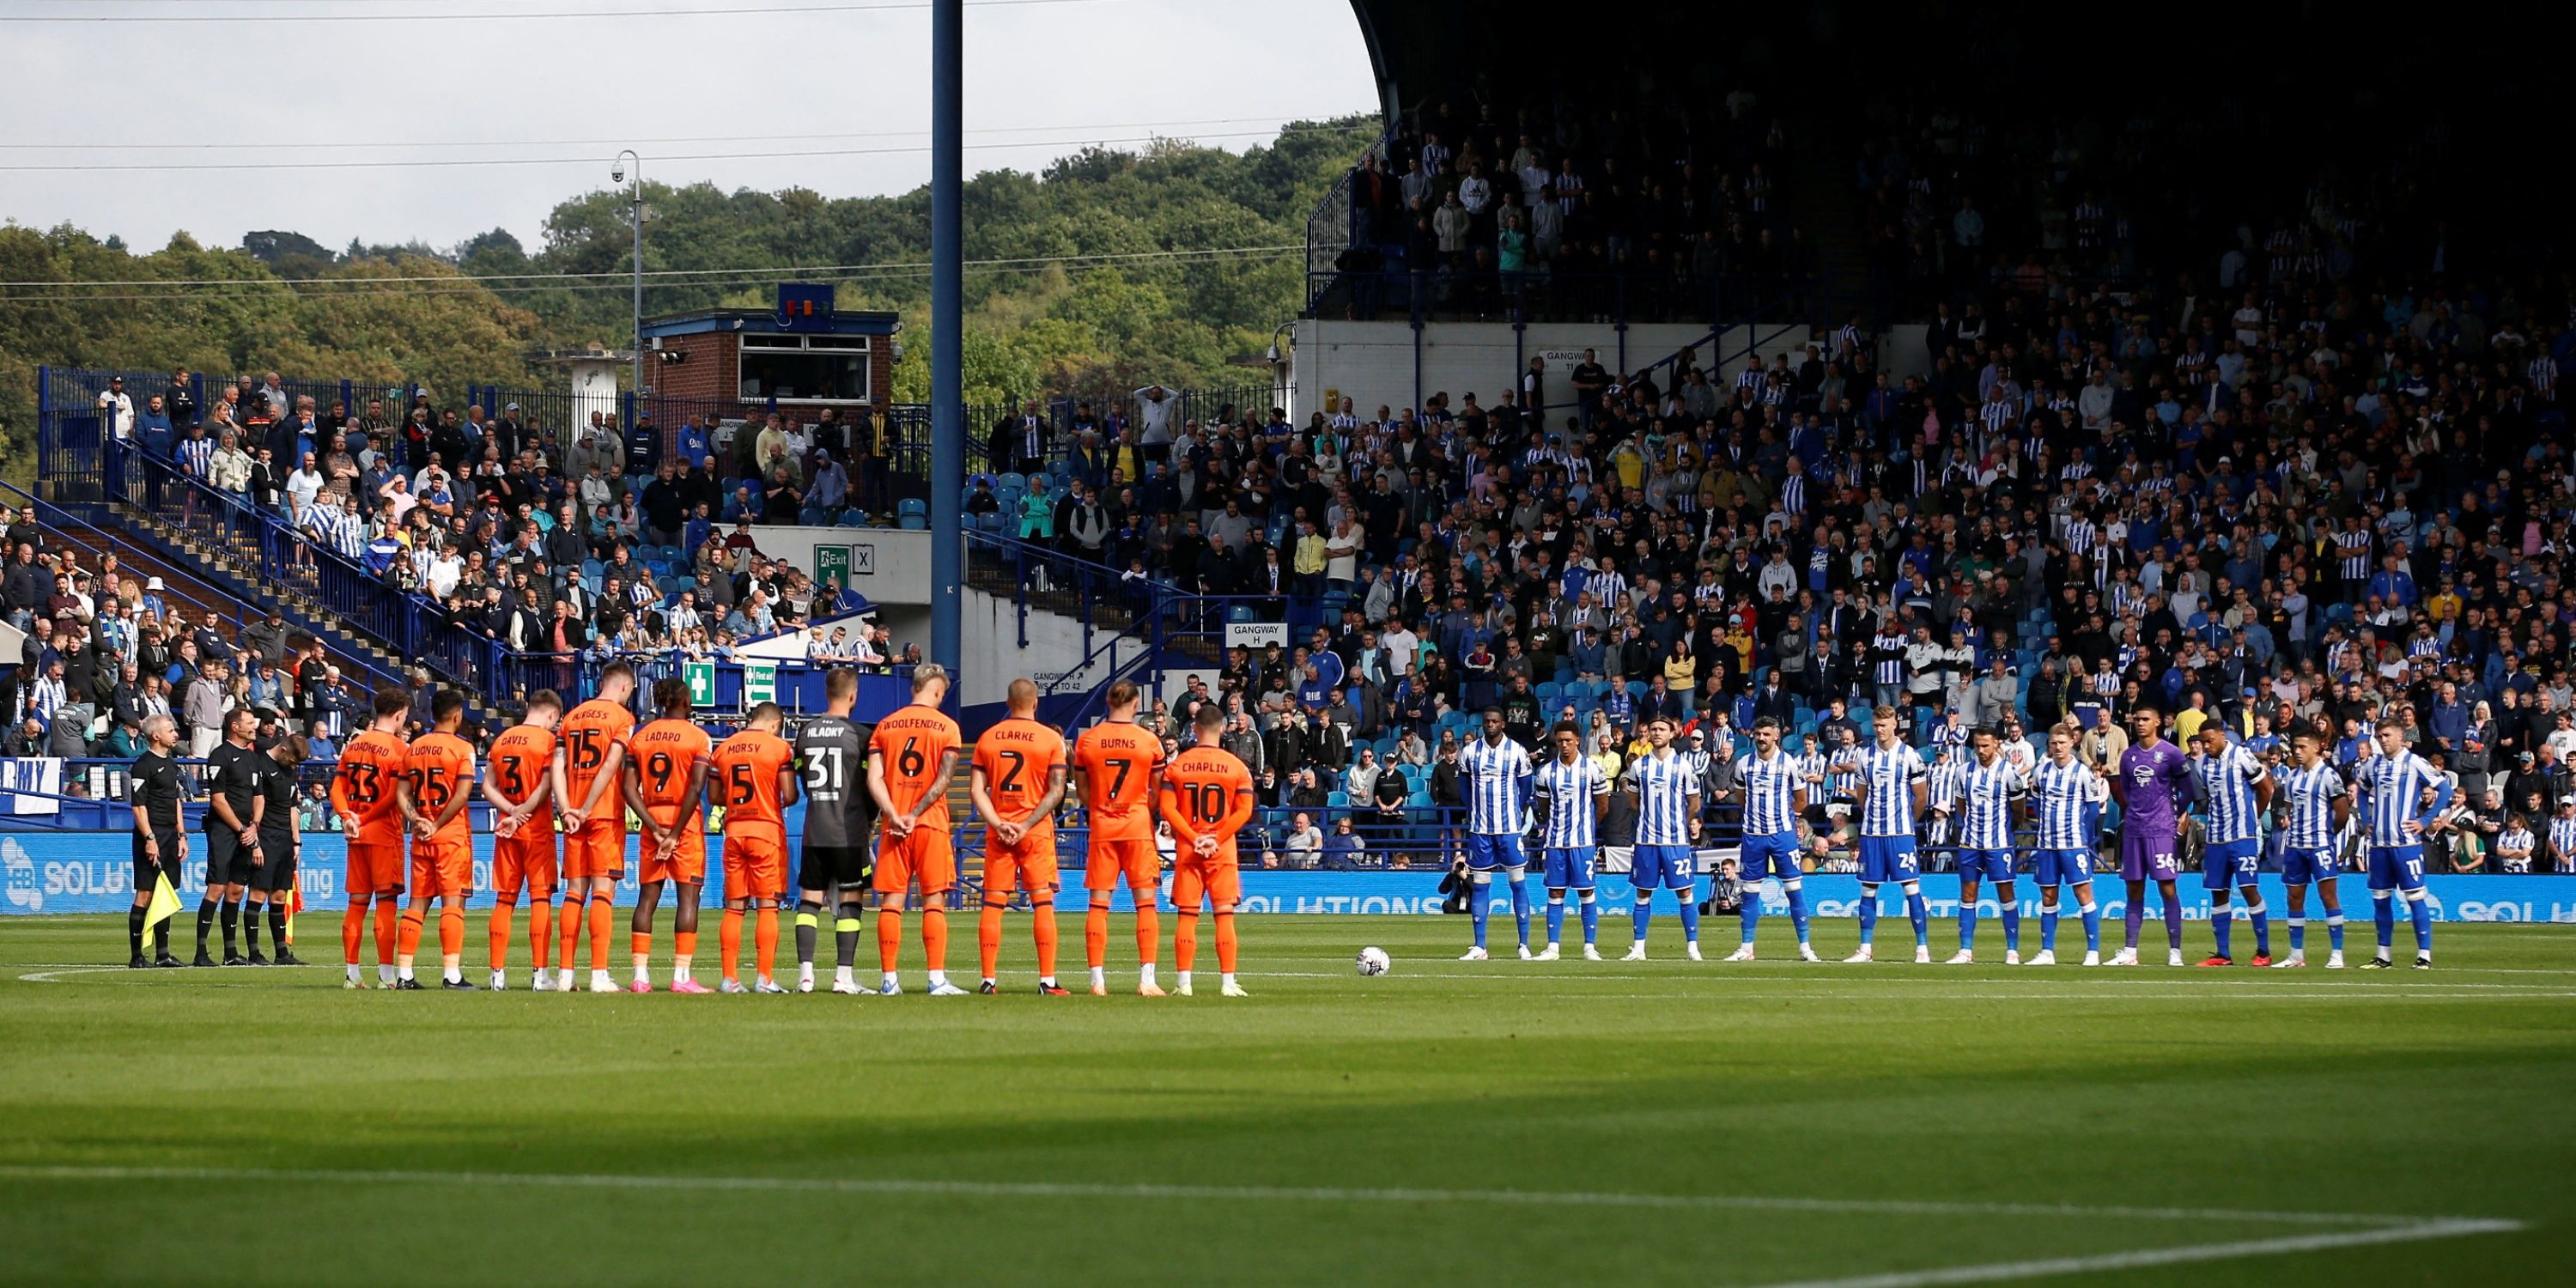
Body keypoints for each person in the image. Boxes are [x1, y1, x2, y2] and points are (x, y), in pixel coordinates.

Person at [866, 663, 965, 995]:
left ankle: (889, 980)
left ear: (914, 688)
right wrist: (915, 813)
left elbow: (874, 778)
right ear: (937, 690)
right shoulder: (947, 727)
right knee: (933, 901)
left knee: (891, 902)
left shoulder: (885, 726)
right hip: (930, 823)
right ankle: (936, 979)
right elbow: (944, 779)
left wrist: (893, 814)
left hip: (893, 827)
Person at [970, 678, 1071, 994]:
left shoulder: (987, 738)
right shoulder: (1050, 740)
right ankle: (1047, 980)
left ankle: (988, 980)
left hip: (999, 829)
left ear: (1007, 702)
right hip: (1035, 831)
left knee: (993, 902)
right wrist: (1026, 825)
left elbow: (976, 791)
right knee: (1042, 902)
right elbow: (1056, 791)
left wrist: (999, 823)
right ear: (1036, 703)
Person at [1071, 680, 1169, 995]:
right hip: (1137, 828)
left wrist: (1100, 807)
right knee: (1146, 905)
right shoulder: (1149, 741)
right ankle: (1148, 979)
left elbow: (1082, 790)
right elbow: (1157, 790)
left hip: (1103, 826)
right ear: (1135, 702)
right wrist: (1140, 808)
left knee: (1098, 905)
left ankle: (1097, 981)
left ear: (1108, 702)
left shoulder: (1087, 740)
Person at [1157, 702, 1255, 997]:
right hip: (1222, 851)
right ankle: (1227, 984)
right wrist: (1216, 837)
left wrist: (1193, 837)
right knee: (1224, 915)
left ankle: (1184, 984)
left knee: (1187, 916)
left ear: (1194, 729)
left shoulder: (1177, 766)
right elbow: (1245, 810)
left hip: (1188, 850)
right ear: (1223, 728)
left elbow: (1166, 808)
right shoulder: (1237, 766)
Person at [624, 679, 714, 992]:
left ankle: (639, 976)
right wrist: (674, 833)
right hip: (683, 821)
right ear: (686, 701)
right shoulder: (698, 738)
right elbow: (696, 787)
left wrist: (651, 825)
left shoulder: (641, 736)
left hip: (653, 817)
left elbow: (627, 788)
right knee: (688, 898)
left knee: (647, 898)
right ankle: (681, 977)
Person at [555, 663, 639, 993]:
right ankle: (599, 974)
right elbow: (610, 764)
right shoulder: (622, 718)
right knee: (603, 893)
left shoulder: (572, 716)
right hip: (601, 814)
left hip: (572, 815)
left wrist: (567, 810)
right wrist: (587, 808)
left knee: (574, 893)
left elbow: (557, 766)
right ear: (623, 687)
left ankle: (564, 975)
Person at [793, 668, 874, 993]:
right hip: (849, 830)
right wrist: (870, 819)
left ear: (826, 694)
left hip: (815, 829)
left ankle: (806, 977)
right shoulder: (862, 735)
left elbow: (804, 783)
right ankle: (843, 977)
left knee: (809, 902)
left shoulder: (805, 732)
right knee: (852, 902)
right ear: (852, 695)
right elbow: (870, 786)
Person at [710, 702, 799, 993]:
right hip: (766, 830)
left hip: (734, 831)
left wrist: (738, 802)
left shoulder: (723, 748)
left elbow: (714, 796)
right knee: (767, 906)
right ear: (775, 724)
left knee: (734, 908)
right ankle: (764, 978)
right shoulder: (779, 748)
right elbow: (790, 794)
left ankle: (729, 979)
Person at [392, 690, 477, 989]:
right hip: (450, 836)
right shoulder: (462, 748)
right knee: (453, 903)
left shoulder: (414, 748)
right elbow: (463, 794)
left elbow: (401, 794)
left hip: (421, 837)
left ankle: (404, 974)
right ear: (457, 716)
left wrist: (417, 820)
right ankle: (451, 975)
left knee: (417, 903)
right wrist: (438, 824)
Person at [480, 691, 562, 991]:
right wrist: (522, 812)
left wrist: (510, 812)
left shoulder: (502, 739)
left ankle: (496, 975)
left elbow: (487, 786)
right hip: (535, 828)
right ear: (552, 715)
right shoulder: (548, 742)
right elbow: (545, 786)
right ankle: (540, 976)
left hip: (507, 829)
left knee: (504, 900)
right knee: (540, 899)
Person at [2351, 718, 2450, 969]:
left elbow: (2445, 789)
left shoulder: (2413, 761)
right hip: (2379, 846)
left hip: (2406, 844)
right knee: (2381, 900)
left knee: (2415, 898)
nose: (2383, 740)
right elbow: (2361, 790)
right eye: (2379, 736)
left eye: (2386, 735)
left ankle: (2424, 956)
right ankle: (2383, 956)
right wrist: (2365, 819)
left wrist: (2426, 820)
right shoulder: (2373, 765)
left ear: (2399, 736)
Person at [332, 688, 412, 987]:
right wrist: (364, 818)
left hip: (356, 834)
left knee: (357, 902)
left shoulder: (354, 744)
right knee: (387, 901)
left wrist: (347, 817)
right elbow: (394, 796)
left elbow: (336, 789)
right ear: (399, 714)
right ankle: (387, 975)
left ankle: (352, 975)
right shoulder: (399, 749)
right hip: (384, 832)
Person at [1728, 715, 1817, 963]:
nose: (1761, 738)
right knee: (1749, 892)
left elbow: (1801, 800)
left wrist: (1783, 815)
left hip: (1783, 836)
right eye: (1758, 733)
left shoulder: (1789, 764)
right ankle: (1746, 948)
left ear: (1777, 736)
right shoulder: (1744, 764)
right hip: (1753, 836)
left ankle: (1805, 948)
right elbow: (1740, 798)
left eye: (1766, 734)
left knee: (1793, 890)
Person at [1848, 705, 1932, 964]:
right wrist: (1873, 817)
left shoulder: (1909, 756)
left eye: (1883, 725)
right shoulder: (1865, 757)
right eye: (1875, 726)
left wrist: (1907, 821)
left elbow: (1921, 797)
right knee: (1868, 890)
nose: (1879, 730)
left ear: (1895, 724)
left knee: (1911, 888)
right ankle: (1865, 948)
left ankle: (1922, 949)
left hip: (1900, 834)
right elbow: (1862, 796)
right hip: (1872, 834)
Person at [2110, 706, 2191, 967]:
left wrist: (2174, 812)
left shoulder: (2172, 754)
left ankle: (2175, 952)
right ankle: (2130, 951)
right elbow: (2125, 791)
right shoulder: (2129, 756)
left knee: (2167, 887)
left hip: (2161, 831)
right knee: (2134, 889)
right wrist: (2135, 812)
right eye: (2137, 720)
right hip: (2134, 830)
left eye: (2145, 720)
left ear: (2157, 722)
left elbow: (2188, 789)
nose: (2140, 724)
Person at [2190, 726, 2275, 966]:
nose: (2206, 746)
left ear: (2221, 736)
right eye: (2202, 742)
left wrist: (2253, 817)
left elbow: (2266, 789)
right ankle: (2223, 954)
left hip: (2242, 837)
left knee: (2249, 890)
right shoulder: (2201, 765)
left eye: (2209, 741)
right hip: (2216, 838)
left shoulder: (2241, 755)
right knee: (2218, 893)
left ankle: (2263, 951)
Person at [1455, 707, 1534, 961]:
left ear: (1503, 724)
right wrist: (1472, 809)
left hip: (1509, 829)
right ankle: (1480, 946)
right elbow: (1464, 784)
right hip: (1480, 830)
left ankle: (1523, 945)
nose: (1490, 724)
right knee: (1479, 886)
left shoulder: (1516, 752)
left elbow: (1525, 786)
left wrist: (1516, 810)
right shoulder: (1469, 752)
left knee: (1518, 885)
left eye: (1495, 721)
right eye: (1486, 721)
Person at [2022, 726, 2106, 966]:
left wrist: (2079, 835)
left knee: (2083, 894)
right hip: (2047, 845)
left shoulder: (2082, 773)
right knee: (2048, 896)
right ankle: (2047, 952)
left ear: (2072, 742)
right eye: (2053, 743)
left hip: (2073, 845)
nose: (2057, 747)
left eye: (2062, 742)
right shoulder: (2041, 772)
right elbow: (2037, 805)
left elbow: (2092, 811)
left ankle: (2093, 951)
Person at [1624, 714, 1704, 960]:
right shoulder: (1639, 766)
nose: (1657, 732)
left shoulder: (1683, 765)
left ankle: (1692, 948)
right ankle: (1638, 949)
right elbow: (1633, 801)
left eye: (1662, 729)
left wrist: (1679, 821)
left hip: (1676, 841)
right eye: (1653, 729)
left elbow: (1694, 802)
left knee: (1685, 892)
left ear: (1672, 734)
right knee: (1642, 893)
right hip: (1646, 841)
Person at [1942, 726, 2023, 965]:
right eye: (1977, 745)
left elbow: (2018, 811)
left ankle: (2012, 951)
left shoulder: (2009, 772)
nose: (1981, 750)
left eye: (1986, 745)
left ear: (1997, 744)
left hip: (1999, 844)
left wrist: (2006, 830)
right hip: (1970, 844)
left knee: (2006, 895)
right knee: (1968, 895)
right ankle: (1965, 950)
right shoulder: (1963, 771)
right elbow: (1960, 805)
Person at [2272, 730, 2352, 969]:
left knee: (2328, 896)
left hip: (2320, 846)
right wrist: (2288, 821)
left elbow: (2342, 813)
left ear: (2316, 748)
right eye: (2295, 747)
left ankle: (2337, 954)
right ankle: (2296, 955)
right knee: (2294, 898)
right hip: (2295, 846)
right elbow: (2288, 809)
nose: (2297, 751)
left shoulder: (2329, 776)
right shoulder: (2292, 777)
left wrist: (2328, 836)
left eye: (2302, 747)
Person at [197, 706, 269, 967]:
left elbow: (259, 797)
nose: (255, 726)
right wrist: (241, 829)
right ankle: (201, 953)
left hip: (247, 833)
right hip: (225, 832)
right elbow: (218, 800)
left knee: (237, 890)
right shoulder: (220, 756)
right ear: (234, 727)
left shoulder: (252, 758)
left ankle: (230, 953)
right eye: (249, 722)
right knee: (217, 887)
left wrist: (254, 827)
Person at [1530, 720, 1608, 961]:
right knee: (1555, 893)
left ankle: (1589, 947)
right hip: (1555, 842)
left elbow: (1603, 805)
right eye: (1560, 741)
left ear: (1577, 741)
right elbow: (1543, 807)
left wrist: (1586, 827)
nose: (1564, 745)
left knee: (1586, 892)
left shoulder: (1592, 768)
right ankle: (1553, 948)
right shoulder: (1546, 772)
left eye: (1568, 740)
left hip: (1582, 843)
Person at [126, 714, 188, 969]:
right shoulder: (144, 765)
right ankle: (137, 956)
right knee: (145, 893)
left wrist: (182, 835)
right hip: (150, 834)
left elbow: (175, 802)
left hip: (170, 836)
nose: (175, 734)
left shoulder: (171, 764)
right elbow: (138, 807)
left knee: (165, 893)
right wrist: (149, 838)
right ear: (156, 736)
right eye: (170, 730)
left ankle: (163, 954)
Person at [246, 732, 311, 967]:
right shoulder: (260, 764)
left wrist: (296, 842)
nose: (294, 766)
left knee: (280, 896)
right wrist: (255, 843)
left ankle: (282, 953)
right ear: (283, 750)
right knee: (258, 893)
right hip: (265, 836)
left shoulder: (290, 770)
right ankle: (254, 953)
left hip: (285, 839)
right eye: (293, 760)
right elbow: (254, 803)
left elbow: (292, 808)